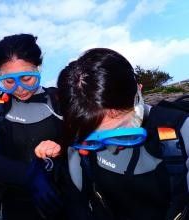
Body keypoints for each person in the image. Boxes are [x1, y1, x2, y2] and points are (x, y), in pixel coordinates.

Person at [35, 48, 189, 220]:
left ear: (138, 91)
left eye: (123, 129)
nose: (113, 148)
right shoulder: (78, 154)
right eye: (94, 139)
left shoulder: (182, 132)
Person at [0, 34, 64, 220]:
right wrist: (30, 175)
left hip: (64, 197)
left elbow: (81, 141)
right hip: (17, 205)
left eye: (27, 78)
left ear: (38, 69)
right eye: (9, 81)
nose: (20, 88)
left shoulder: (58, 101)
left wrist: (62, 148)